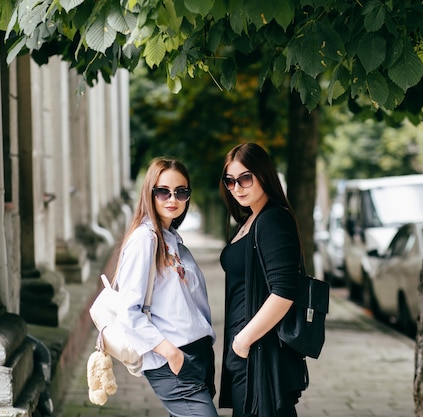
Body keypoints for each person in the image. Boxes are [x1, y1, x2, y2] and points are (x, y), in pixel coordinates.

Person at [112, 157, 218, 417]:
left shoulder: (174, 240)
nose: (173, 199)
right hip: (172, 361)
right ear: (150, 193)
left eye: (181, 192)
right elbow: (128, 311)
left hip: (197, 356)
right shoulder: (144, 240)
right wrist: (171, 353)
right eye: (163, 192)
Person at [218, 143, 309, 417]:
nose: (237, 187)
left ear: (263, 175)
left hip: (259, 353)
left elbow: (284, 291)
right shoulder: (249, 219)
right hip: (247, 352)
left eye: (245, 178)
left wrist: (243, 341)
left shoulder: (273, 219)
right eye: (230, 181)